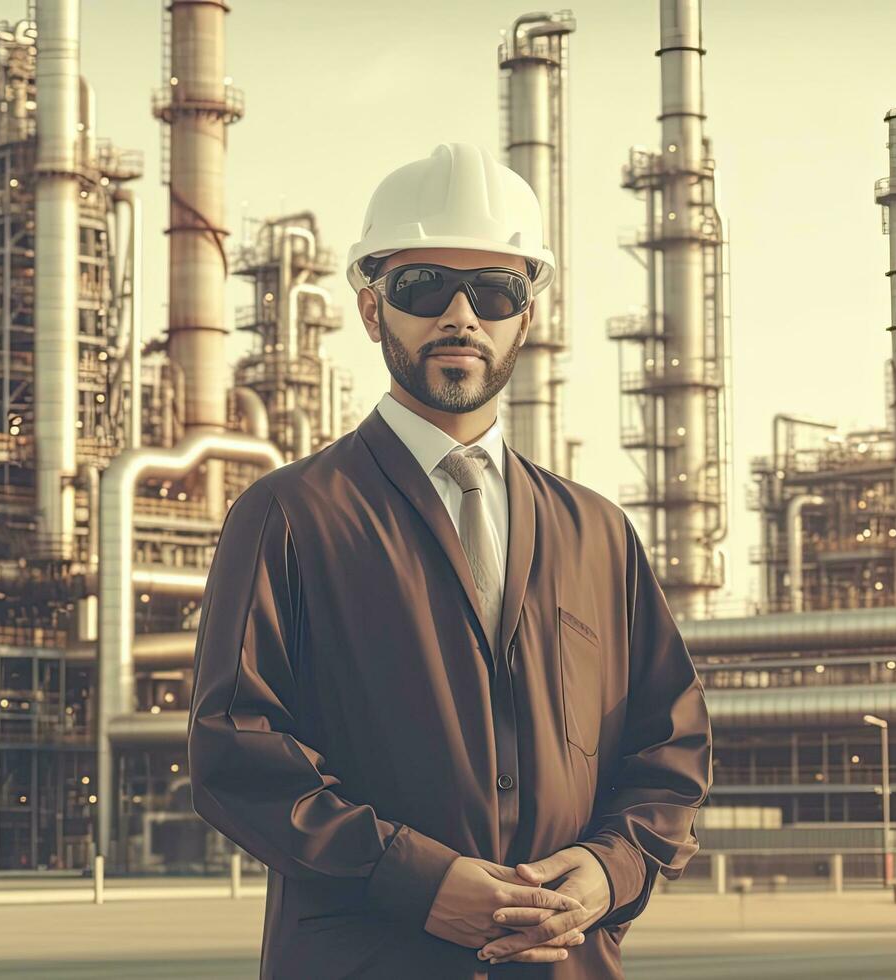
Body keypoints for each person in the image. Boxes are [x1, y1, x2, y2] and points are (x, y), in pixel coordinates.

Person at [188, 142, 712, 978]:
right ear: (371, 310)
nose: (461, 315)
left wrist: (613, 869)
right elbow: (235, 751)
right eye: (424, 286)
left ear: (526, 318)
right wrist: (415, 881)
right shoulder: (288, 515)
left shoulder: (599, 534)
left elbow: (670, 742)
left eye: (496, 290)